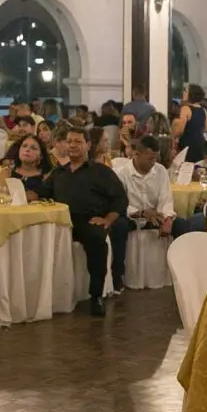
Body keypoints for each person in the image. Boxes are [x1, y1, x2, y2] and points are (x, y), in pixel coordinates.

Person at [43, 126, 129, 315]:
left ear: (88, 145)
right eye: (69, 141)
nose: (72, 145)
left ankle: (96, 296)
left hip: (88, 221)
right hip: (61, 221)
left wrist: (108, 219)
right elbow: (42, 194)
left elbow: (121, 199)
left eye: (78, 142)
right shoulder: (58, 173)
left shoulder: (101, 172)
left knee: (98, 240)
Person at [119, 135, 176, 236]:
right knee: (119, 225)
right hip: (133, 219)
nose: (154, 162)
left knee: (181, 225)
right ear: (136, 154)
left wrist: (167, 219)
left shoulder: (161, 170)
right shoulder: (122, 174)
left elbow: (166, 200)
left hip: (156, 218)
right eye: (150, 159)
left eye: (155, 158)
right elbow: (120, 206)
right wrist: (141, 213)